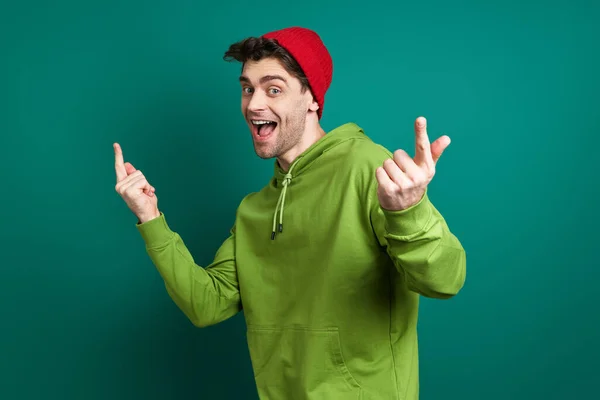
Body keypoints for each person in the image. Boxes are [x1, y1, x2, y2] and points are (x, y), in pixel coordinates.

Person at [114, 26, 466, 400]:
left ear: (312, 98)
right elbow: (207, 304)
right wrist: (150, 217)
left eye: (273, 89)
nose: (253, 104)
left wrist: (408, 212)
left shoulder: (368, 167)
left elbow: (446, 281)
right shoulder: (254, 209)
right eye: (247, 88)